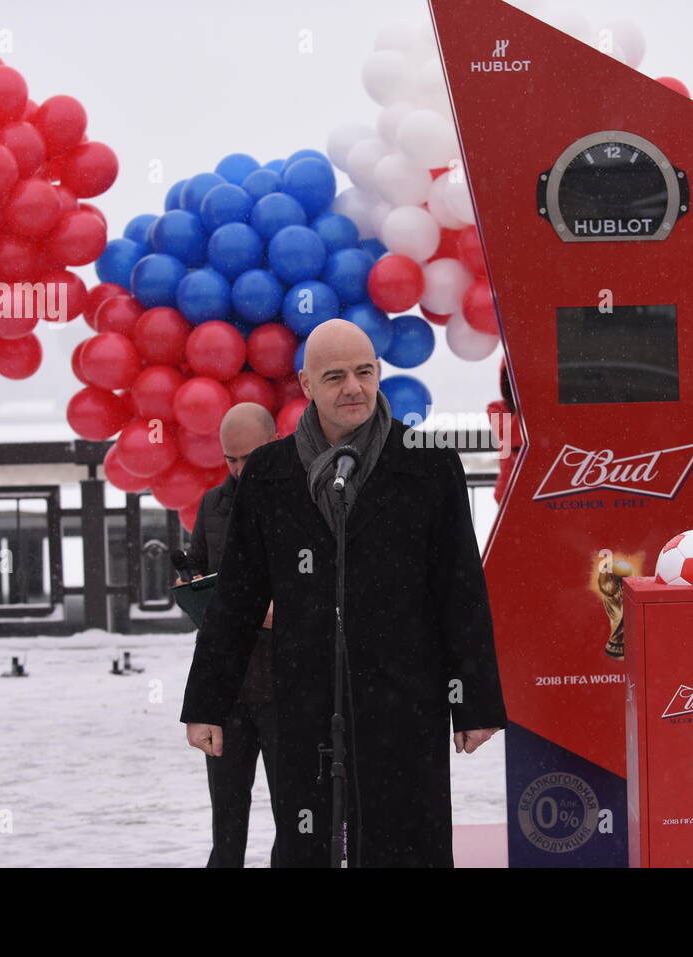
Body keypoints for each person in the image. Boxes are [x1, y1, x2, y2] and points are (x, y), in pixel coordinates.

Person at [181, 319, 506, 867]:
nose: (353, 387)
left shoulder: (428, 464)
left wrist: (475, 701)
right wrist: (207, 703)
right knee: (309, 846)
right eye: (335, 376)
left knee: (408, 848)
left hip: (408, 705)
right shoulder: (268, 474)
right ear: (306, 386)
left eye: (364, 372)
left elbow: (460, 591)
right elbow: (236, 599)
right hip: (306, 707)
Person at [177, 403, 278, 867]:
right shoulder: (212, 505)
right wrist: (190, 585)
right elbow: (198, 562)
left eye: (247, 458)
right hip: (227, 686)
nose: (238, 470)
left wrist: (292, 609)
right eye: (229, 460)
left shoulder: (300, 499)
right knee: (227, 818)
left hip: (286, 685)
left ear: (275, 444)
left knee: (298, 818)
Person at [486, 357, 522, 506]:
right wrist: (530, 401)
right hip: (510, 492)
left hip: (540, 487)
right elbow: (509, 436)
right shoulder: (496, 408)